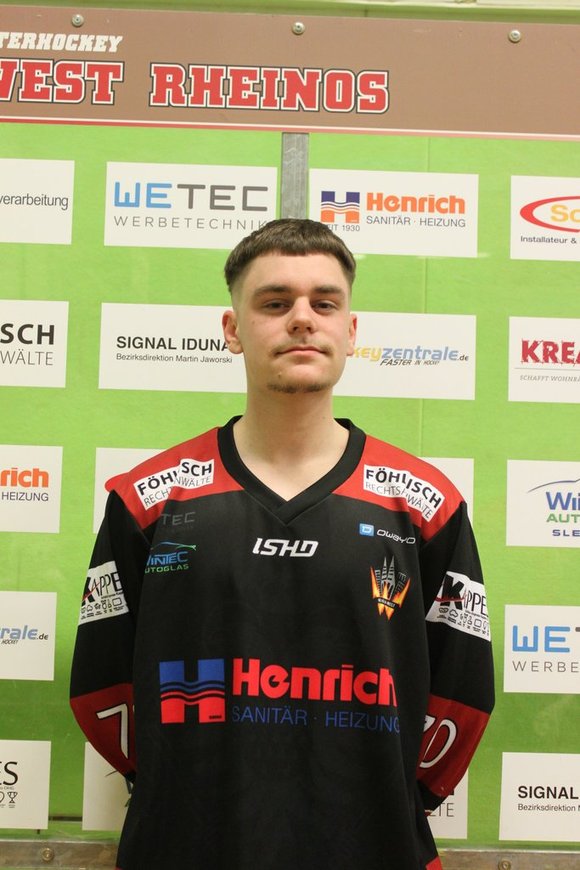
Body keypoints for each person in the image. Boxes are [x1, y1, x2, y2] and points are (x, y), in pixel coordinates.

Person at [70, 218, 494, 870]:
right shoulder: (148, 499)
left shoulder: (425, 504)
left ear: (350, 330)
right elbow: (101, 686)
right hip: (185, 847)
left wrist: (385, 797)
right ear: (233, 328)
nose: (302, 319)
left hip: (373, 847)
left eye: (324, 303)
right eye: (274, 303)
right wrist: (177, 784)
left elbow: (462, 693)